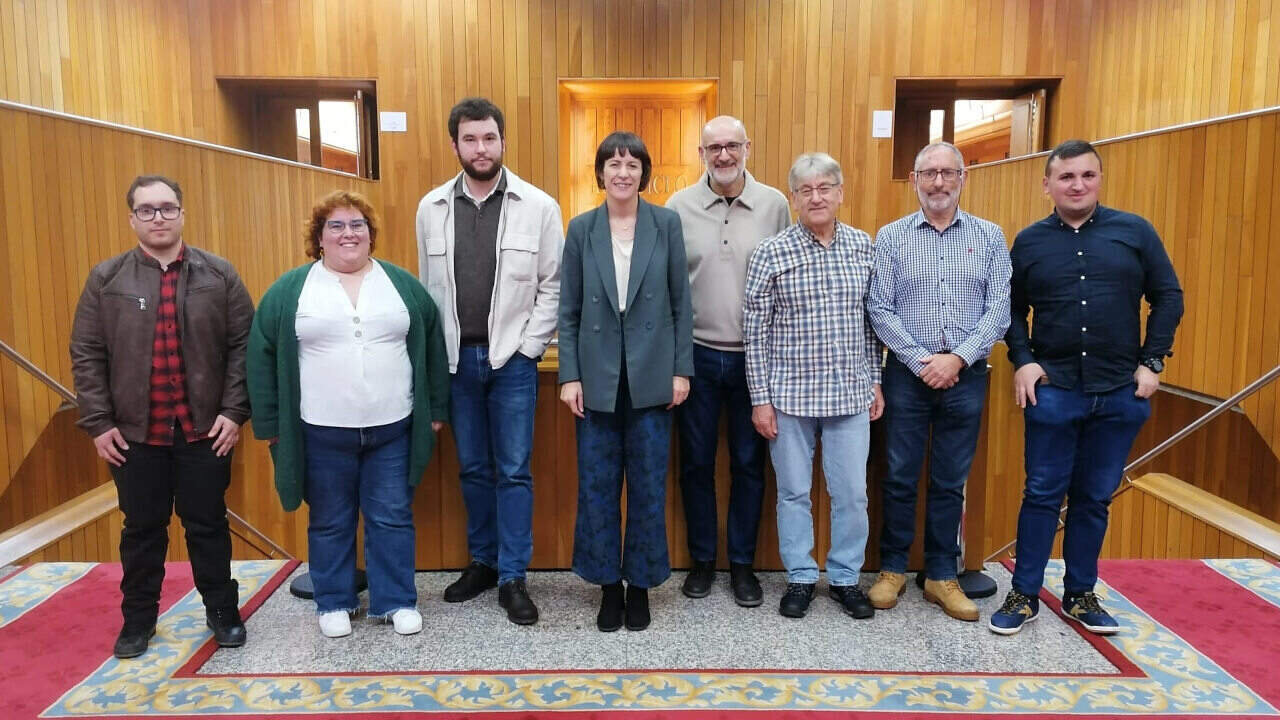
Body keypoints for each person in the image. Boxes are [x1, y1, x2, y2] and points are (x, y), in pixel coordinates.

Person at [990, 140, 1183, 636]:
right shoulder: (1030, 242)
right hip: (1053, 391)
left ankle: (1080, 594)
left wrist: (1153, 361)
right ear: (1047, 184)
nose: (1077, 185)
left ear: (1099, 179)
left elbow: (1167, 296)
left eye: (1087, 176)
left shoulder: (1134, 232)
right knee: (1041, 494)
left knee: (1095, 498)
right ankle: (1024, 593)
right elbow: (1010, 310)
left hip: (1120, 390)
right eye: (1067, 177)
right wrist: (1024, 360)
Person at [247, 190, 449, 639]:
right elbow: (260, 357)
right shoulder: (290, 291)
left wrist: (433, 411)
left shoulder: (401, 285)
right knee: (330, 518)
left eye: (357, 224)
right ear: (319, 237)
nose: (347, 233)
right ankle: (334, 600)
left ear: (371, 235)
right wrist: (270, 425)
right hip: (319, 431)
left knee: (392, 515)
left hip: (392, 429)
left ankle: (395, 600)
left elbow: (432, 344)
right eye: (335, 226)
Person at [70, 175, 252, 658]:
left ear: (182, 214)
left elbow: (243, 349)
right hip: (133, 434)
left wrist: (234, 412)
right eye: (147, 210)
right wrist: (98, 421)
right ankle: (138, 621)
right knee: (142, 529)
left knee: (208, 524)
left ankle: (222, 612)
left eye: (167, 208)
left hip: (204, 432)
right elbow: (87, 353)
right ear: (132, 218)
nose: (158, 218)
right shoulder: (106, 279)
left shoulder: (220, 275)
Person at [416, 98, 563, 625]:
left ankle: (513, 576)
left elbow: (554, 287)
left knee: (514, 471)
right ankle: (483, 561)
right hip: (456, 364)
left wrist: (527, 349)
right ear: (454, 144)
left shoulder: (538, 206)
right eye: (470, 139)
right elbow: (428, 290)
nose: (482, 148)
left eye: (490, 138)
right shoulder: (431, 207)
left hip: (512, 365)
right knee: (473, 469)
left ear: (503, 141)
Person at [867, 142, 1011, 622]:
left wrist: (958, 358)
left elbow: (999, 310)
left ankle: (940, 575)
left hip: (966, 376)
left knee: (951, 480)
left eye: (948, 173)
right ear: (914, 180)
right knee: (900, 476)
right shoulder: (891, 237)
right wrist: (921, 359)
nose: (938, 183)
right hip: (908, 376)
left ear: (963, 178)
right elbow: (879, 308)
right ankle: (891, 570)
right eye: (928, 173)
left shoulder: (990, 237)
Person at [558, 131, 694, 632]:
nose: (622, 172)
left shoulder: (666, 224)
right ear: (599, 173)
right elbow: (568, 310)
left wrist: (682, 369)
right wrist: (569, 376)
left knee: (647, 487)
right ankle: (606, 587)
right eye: (613, 163)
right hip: (595, 380)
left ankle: (640, 585)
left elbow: (682, 303)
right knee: (596, 488)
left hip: (653, 376)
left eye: (632, 164)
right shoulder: (581, 229)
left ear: (643, 173)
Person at [744, 152, 884, 621]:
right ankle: (801, 576)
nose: (816, 197)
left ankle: (845, 578)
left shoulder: (864, 247)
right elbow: (755, 332)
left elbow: (871, 325)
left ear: (841, 193)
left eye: (825, 187)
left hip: (849, 393)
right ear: (794, 198)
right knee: (793, 493)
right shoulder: (771, 252)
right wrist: (760, 398)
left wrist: (876, 383)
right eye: (806, 190)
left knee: (852, 494)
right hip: (788, 396)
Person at [665, 116, 790, 607]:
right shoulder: (678, 207)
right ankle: (701, 561)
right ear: (701, 152)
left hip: (756, 359)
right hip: (696, 355)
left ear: (747, 147)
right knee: (694, 464)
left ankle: (741, 565)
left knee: (748, 464)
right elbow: (672, 286)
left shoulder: (776, 204)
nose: (723, 155)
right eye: (713, 147)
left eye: (731, 146)